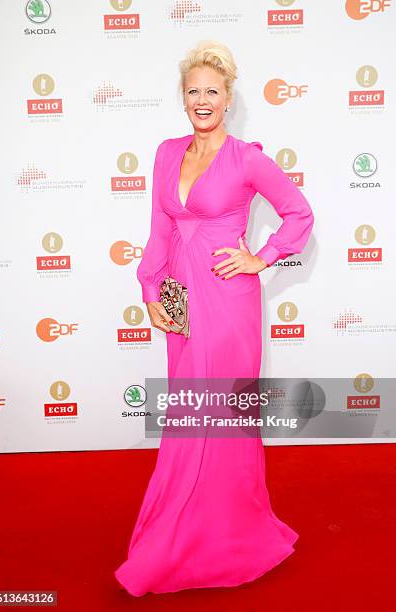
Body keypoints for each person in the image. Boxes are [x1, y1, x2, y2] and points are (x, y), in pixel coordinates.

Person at [114, 40, 314, 596]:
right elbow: (159, 228)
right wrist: (150, 286)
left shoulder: (246, 156)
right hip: (181, 297)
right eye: (193, 91)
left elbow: (299, 214)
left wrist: (261, 256)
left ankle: (230, 533)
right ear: (183, 98)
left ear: (228, 99)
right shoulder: (166, 152)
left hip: (228, 304)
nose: (202, 100)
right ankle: (178, 527)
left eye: (212, 91)